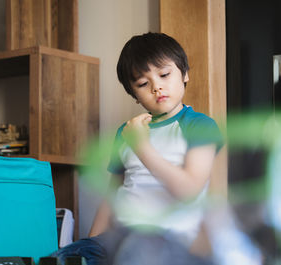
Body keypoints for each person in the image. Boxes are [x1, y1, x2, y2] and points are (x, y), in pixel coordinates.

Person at [48, 32, 223, 265]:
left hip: (170, 239)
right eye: (143, 83)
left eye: (164, 74)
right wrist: (93, 242)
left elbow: (189, 190)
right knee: (61, 258)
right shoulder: (127, 131)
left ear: (185, 74)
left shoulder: (200, 125)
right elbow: (112, 197)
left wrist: (141, 147)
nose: (156, 87)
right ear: (134, 96)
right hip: (120, 236)